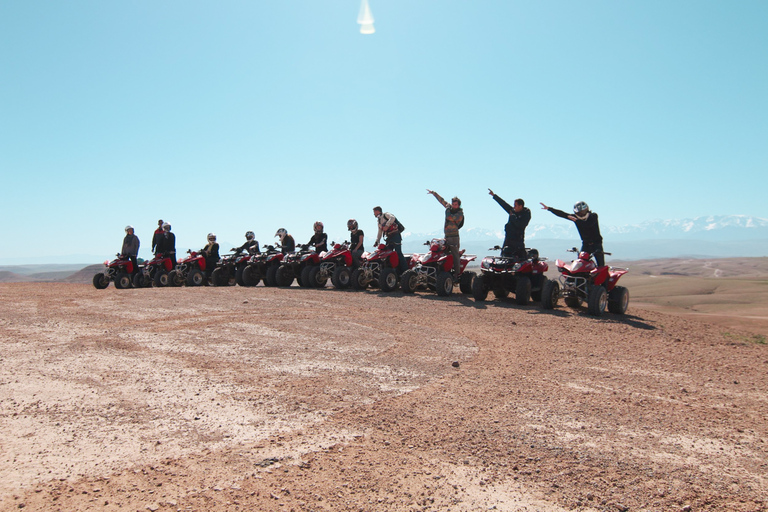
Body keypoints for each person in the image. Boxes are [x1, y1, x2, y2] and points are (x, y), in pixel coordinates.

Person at [540, 200, 605, 267]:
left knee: (601, 265)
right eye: (579, 213)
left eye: (582, 212)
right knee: (580, 264)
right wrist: (549, 209)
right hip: (586, 244)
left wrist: (576, 220)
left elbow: (588, 224)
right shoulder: (575, 218)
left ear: (586, 209)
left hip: (597, 244)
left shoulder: (593, 216)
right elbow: (562, 214)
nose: (581, 214)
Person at [427, 189, 464, 276]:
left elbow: (449, 217)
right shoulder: (449, 208)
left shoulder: (459, 214)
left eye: (456, 205)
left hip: (454, 237)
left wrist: (447, 209)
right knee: (444, 255)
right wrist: (434, 194)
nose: (454, 206)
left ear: (459, 205)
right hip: (447, 236)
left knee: (455, 256)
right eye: (453, 204)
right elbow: (442, 201)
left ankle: (456, 274)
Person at [489, 189, 530, 259]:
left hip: (518, 240)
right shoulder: (513, 212)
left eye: (515, 205)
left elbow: (520, 225)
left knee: (520, 258)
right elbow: (504, 205)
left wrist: (513, 217)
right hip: (508, 238)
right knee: (505, 256)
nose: (514, 207)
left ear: (521, 206)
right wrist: (494, 196)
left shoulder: (525, 214)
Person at [373, 206, 407, 272]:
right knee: (387, 254)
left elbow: (392, 218)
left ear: (378, 211)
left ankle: (405, 270)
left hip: (396, 236)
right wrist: (377, 241)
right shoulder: (379, 221)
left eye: (374, 212)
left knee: (398, 252)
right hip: (389, 237)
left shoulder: (386, 215)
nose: (374, 214)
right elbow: (380, 231)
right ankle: (391, 269)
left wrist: (387, 225)